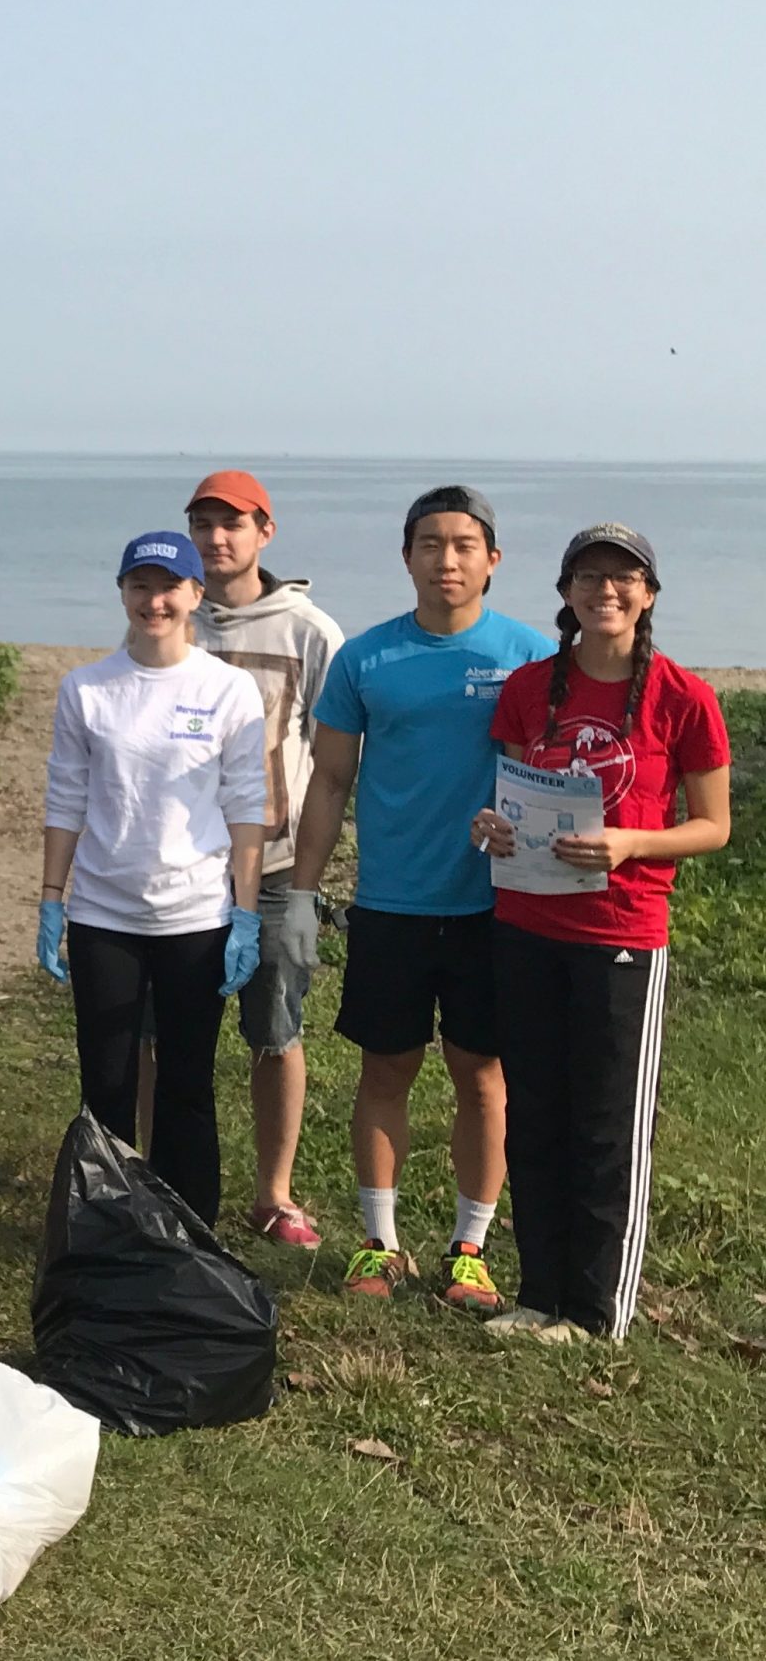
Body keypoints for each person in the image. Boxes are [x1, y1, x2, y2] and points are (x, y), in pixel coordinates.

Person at [289, 486, 555, 1312]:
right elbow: (330, 780)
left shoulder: (531, 658)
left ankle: (469, 1249)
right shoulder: (366, 659)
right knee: (386, 1068)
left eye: (465, 545)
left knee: (482, 1077)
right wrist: (300, 895)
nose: (448, 560)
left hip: (494, 907)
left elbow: (555, 778)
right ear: (406, 556)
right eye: (431, 544)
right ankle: (380, 1244)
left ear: (493, 560)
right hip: (392, 903)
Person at [472, 525, 729, 1342]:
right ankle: (539, 1295)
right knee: (536, 1113)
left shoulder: (683, 698)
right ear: (567, 591)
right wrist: (492, 828)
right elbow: (509, 799)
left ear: (647, 594)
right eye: (588, 576)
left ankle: (596, 1310)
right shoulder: (530, 688)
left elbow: (713, 826)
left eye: (623, 578)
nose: (604, 591)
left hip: (621, 930)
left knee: (606, 1124)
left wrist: (631, 843)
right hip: (525, 922)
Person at [39, 531, 267, 1227]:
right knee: (106, 1083)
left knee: (187, 1083)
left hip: (196, 916)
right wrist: (52, 898)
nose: (154, 600)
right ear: (123, 593)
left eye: (168, 587)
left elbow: (246, 806)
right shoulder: (87, 688)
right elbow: (66, 798)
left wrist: (247, 914)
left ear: (196, 594)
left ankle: (189, 1228)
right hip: (103, 913)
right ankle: (107, 1224)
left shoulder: (228, 689)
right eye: (139, 586)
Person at [178, 470, 344, 1246]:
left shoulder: (308, 631)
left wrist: (311, 880)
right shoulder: (174, 614)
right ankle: (155, 1177)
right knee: (161, 1031)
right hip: (179, 867)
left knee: (274, 1029)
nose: (217, 539)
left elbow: (336, 759)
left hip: (274, 869)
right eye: (204, 525)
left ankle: (273, 1193)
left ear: (263, 532)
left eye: (232, 524)